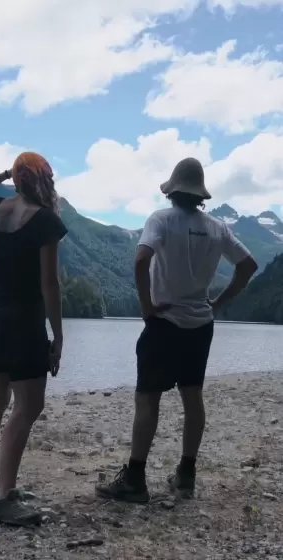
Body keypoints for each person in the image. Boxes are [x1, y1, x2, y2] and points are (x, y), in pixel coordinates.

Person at [96, 157, 258, 503]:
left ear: (172, 190)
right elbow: (248, 265)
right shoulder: (217, 228)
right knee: (192, 396)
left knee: (147, 400)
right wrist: (219, 303)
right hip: (201, 325)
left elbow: (141, 260)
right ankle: (186, 474)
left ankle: (136, 479)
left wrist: (146, 308)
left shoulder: (161, 219)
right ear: (200, 195)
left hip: (164, 324)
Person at [0, 152, 67, 526]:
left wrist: (4, 174)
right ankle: (5, 498)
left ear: (18, 179)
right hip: (23, 320)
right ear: (45, 180)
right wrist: (57, 333)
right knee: (27, 406)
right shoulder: (46, 221)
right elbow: (49, 284)